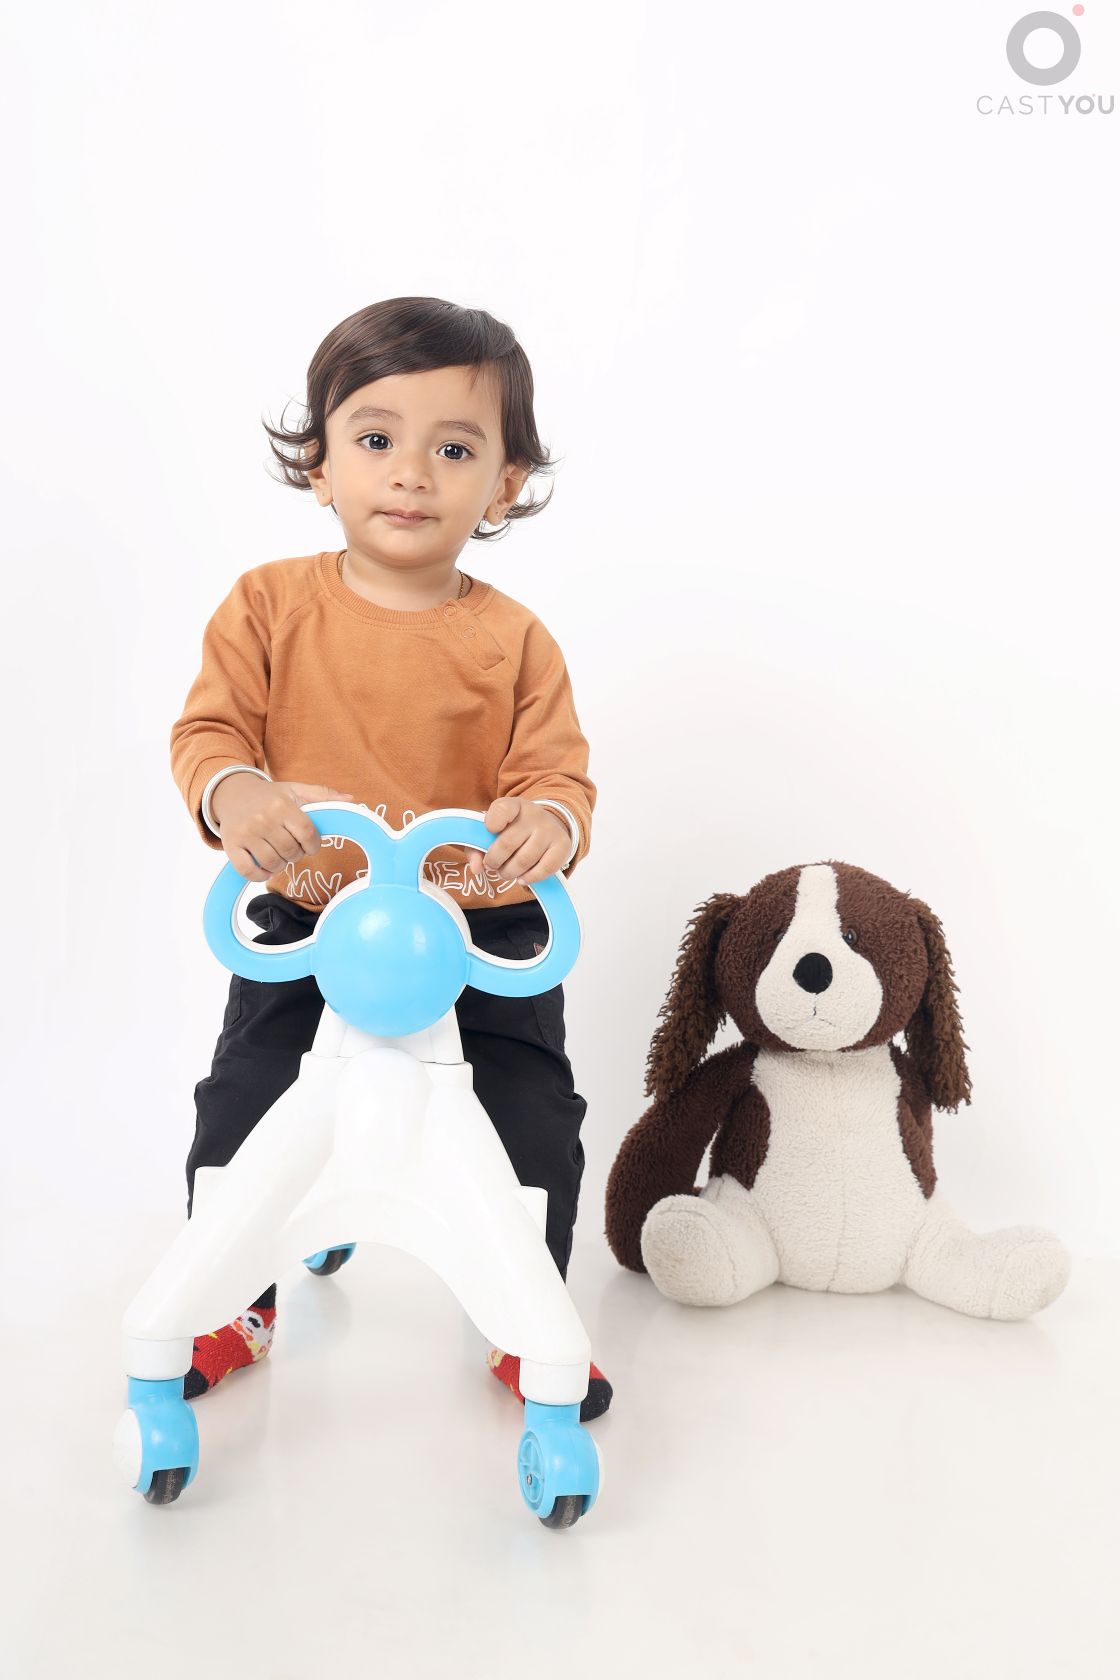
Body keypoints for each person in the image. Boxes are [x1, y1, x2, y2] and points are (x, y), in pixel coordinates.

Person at [169, 296, 611, 1421]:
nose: (411, 472)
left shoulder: (514, 640)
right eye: (376, 439)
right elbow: (209, 734)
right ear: (321, 464)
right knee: (245, 1105)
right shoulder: (267, 607)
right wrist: (239, 791)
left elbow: (557, 779)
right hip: (313, 922)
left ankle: (527, 1320)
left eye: (453, 450)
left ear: (504, 485)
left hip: (480, 933)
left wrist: (548, 824)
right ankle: (228, 1303)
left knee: (532, 1118)